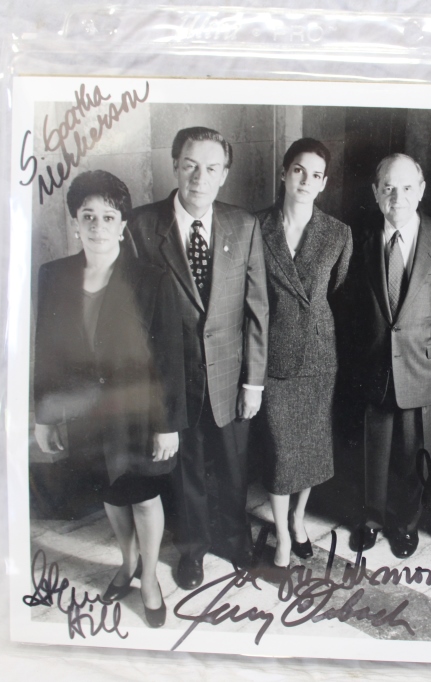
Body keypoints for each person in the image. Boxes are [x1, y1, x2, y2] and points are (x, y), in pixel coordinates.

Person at [33, 170, 185, 628]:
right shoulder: (53, 275)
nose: (97, 226)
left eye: (108, 216)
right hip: (86, 415)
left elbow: (170, 359)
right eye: (88, 216)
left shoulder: (152, 280)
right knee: (111, 494)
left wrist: (167, 425)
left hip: (138, 416)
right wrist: (45, 415)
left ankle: (150, 578)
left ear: (123, 225)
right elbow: (47, 352)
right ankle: (127, 562)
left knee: (143, 497)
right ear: (75, 222)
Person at [129, 127, 269, 589]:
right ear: (175, 166)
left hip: (230, 376)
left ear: (224, 174)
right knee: (185, 469)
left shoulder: (243, 225)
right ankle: (192, 549)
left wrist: (253, 382)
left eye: (211, 168)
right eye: (190, 165)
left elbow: (257, 309)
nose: (199, 178)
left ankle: (236, 539)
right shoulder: (142, 226)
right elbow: (136, 321)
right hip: (174, 378)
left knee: (233, 465)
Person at [348, 153, 431, 559]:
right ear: (376, 192)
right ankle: (372, 519)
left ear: (422, 190)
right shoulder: (359, 237)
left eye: (407, 187)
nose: (398, 197)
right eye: (389, 188)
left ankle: (407, 525)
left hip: (422, 365)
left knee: (416, 455)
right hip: (374, 365)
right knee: (373, 452)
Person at [253, 138, 352, 568]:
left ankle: (297, 519)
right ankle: (281, 536)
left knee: (310, 449)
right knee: (280, 453)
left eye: (315, 175)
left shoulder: (338, 233)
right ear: (284, 173)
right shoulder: (256, 226)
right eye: (298, 170)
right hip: (273, 354)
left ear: (324, 183)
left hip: (316, 356)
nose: (306, 180)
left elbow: (338, 291)